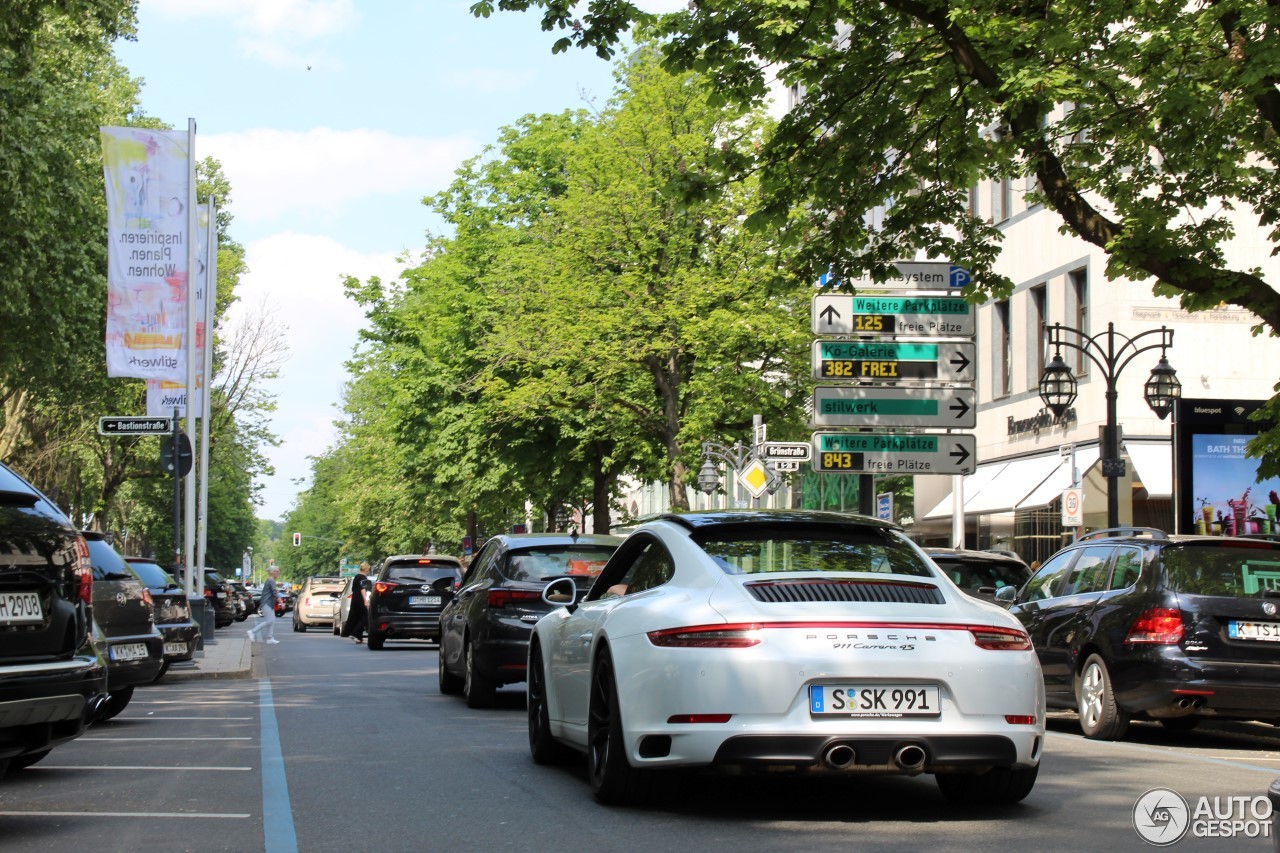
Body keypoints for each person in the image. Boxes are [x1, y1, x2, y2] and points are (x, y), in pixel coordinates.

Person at [248, 566, 282, 644]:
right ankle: (252, 632)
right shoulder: (271, 581)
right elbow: (274, 592)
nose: (278, 573)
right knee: (269, 621)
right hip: (266, 603)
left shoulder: (271, 580)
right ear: (272, 572)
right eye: (277, 571)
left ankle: (269, 638)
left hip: (269, 603)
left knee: (272, 620)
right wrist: (281, 601)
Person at [344, 561, 370, 643]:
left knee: (358, 618)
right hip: (360, 599)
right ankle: (354, 633)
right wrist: (365, 600)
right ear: (366, 569)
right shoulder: (363, 578)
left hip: (354, 598)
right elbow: (363, 589)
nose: (368, 571)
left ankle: (359, 638)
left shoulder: (356, 577)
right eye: (368, 569)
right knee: (365, 618)